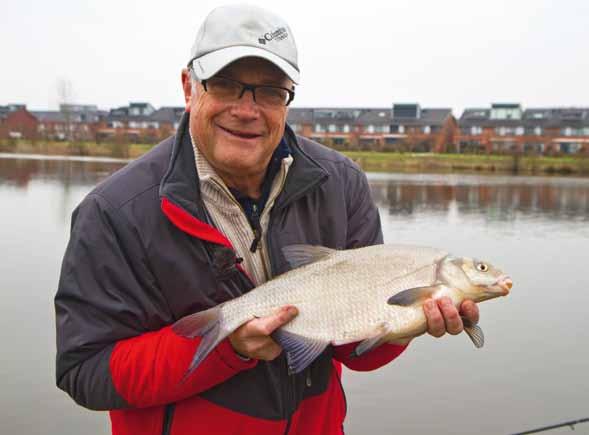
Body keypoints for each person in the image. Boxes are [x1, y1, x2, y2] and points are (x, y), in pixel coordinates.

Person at [54, 4, 479, 435]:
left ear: (289, 98)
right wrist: (229, 348)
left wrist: (406, 325)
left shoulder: (342, 184)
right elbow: (86, 372)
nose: (247, 109)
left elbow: (356, 352)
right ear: (189, 87)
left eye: (271, 90)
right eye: (225, 84)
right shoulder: (113, 213)